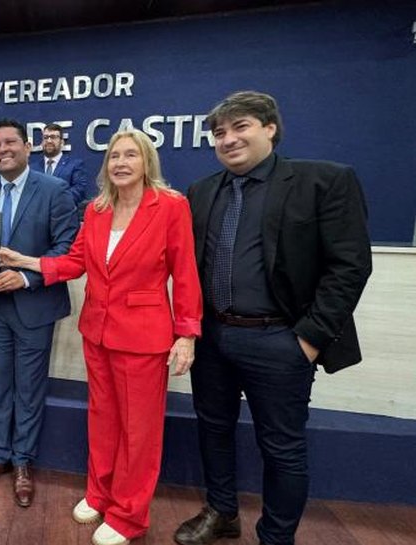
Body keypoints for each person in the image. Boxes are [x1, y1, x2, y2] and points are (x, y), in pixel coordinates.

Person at [174, 91, 372, 545]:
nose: (228, 139)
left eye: (240, 127)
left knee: (282, 448)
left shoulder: (324, 181)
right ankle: (222, 513)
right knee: (214, 430)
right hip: (214, 338)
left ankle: (276, 537)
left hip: (280, 341)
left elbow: (350, 266)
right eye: (219, 133)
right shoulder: (201, 192)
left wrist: (309, 339)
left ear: (270, 128)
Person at [0, 129, 202, 545]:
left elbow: (185, 274)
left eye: (131, 155)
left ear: (147, 162)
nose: (121, 163)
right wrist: (29, 262)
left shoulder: (171, 207)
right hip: (98, 331)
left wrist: (187, 333)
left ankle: (129, 515)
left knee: (139, 432)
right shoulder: (96, 209)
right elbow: (76, 261)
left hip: (145, 337)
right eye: (114, 156)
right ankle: (100, 493)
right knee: (103, 420)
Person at [0, 118, 78, 508]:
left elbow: (67, 249)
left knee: (29, 390)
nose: (2, 150)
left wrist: (26, 279)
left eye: (10, 142)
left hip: (34, 306)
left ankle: (23, 462)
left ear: (27, 147)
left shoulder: (55, 190)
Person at [31, 122, 93, 206]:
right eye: (45, 137)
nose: (49, 141)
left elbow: (79, 189)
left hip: (64, 215)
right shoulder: (33, 168)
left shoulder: (74, 164)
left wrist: (54, 201)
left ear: (62, 142)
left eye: (53, 137)